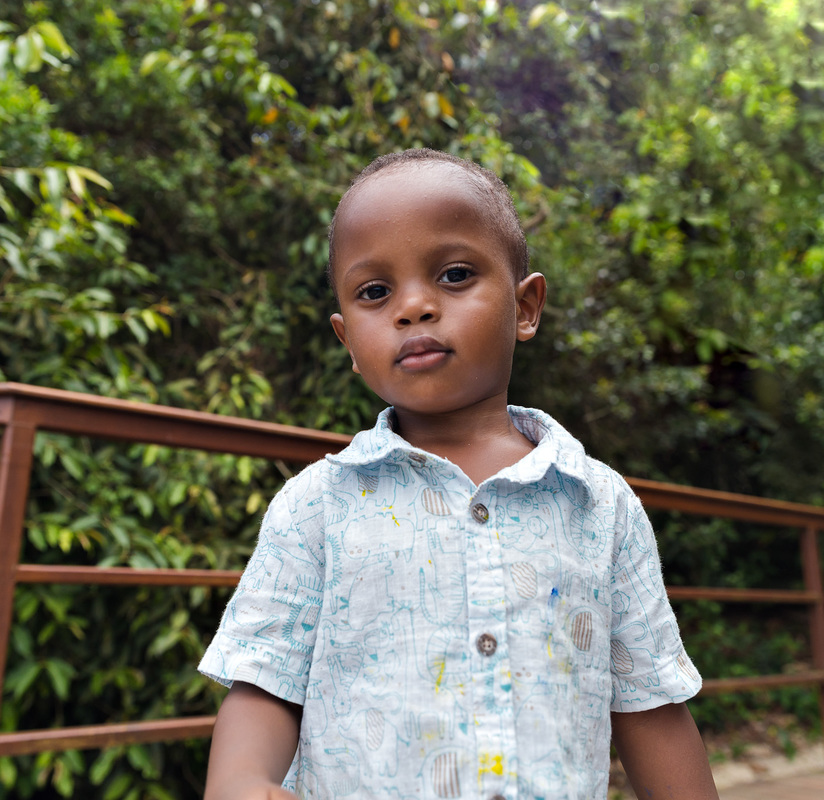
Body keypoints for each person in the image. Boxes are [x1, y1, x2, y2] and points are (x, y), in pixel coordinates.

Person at [199, 148, 719, 800]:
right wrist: (241, 780)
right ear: (348, 342)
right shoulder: (317, 505)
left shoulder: (599, 505)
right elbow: (266, 682)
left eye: (453, 274)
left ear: (526, 307)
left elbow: (652, 707)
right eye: (374, 292)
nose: (413, 307)